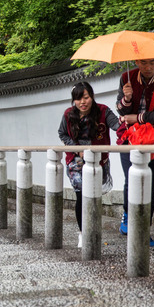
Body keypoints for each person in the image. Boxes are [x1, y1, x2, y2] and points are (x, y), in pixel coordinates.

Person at [116, 58, 154, 243]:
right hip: (130, 138)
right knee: (131, 180)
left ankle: (143, 230)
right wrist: (126, 98)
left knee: (152, 186)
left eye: (152, 62)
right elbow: (120, 110)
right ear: (136, 61)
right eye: (143, 63)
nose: (148, 67)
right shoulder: (127, 77)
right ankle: (128, 216)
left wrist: (139, 118)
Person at [58, 82, 119, 247]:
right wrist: (76, 149)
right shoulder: (68, 114)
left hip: (98, 160)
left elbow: (117, 126)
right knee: (81, 195)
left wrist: (126, 107)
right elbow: (62, 133)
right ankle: (83, 234)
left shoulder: (103, 111)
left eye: (86, 97)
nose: (82, 102)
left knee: (94, 196)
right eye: (78, 99)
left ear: (92, 97)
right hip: (76, 161)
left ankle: (92, 230)